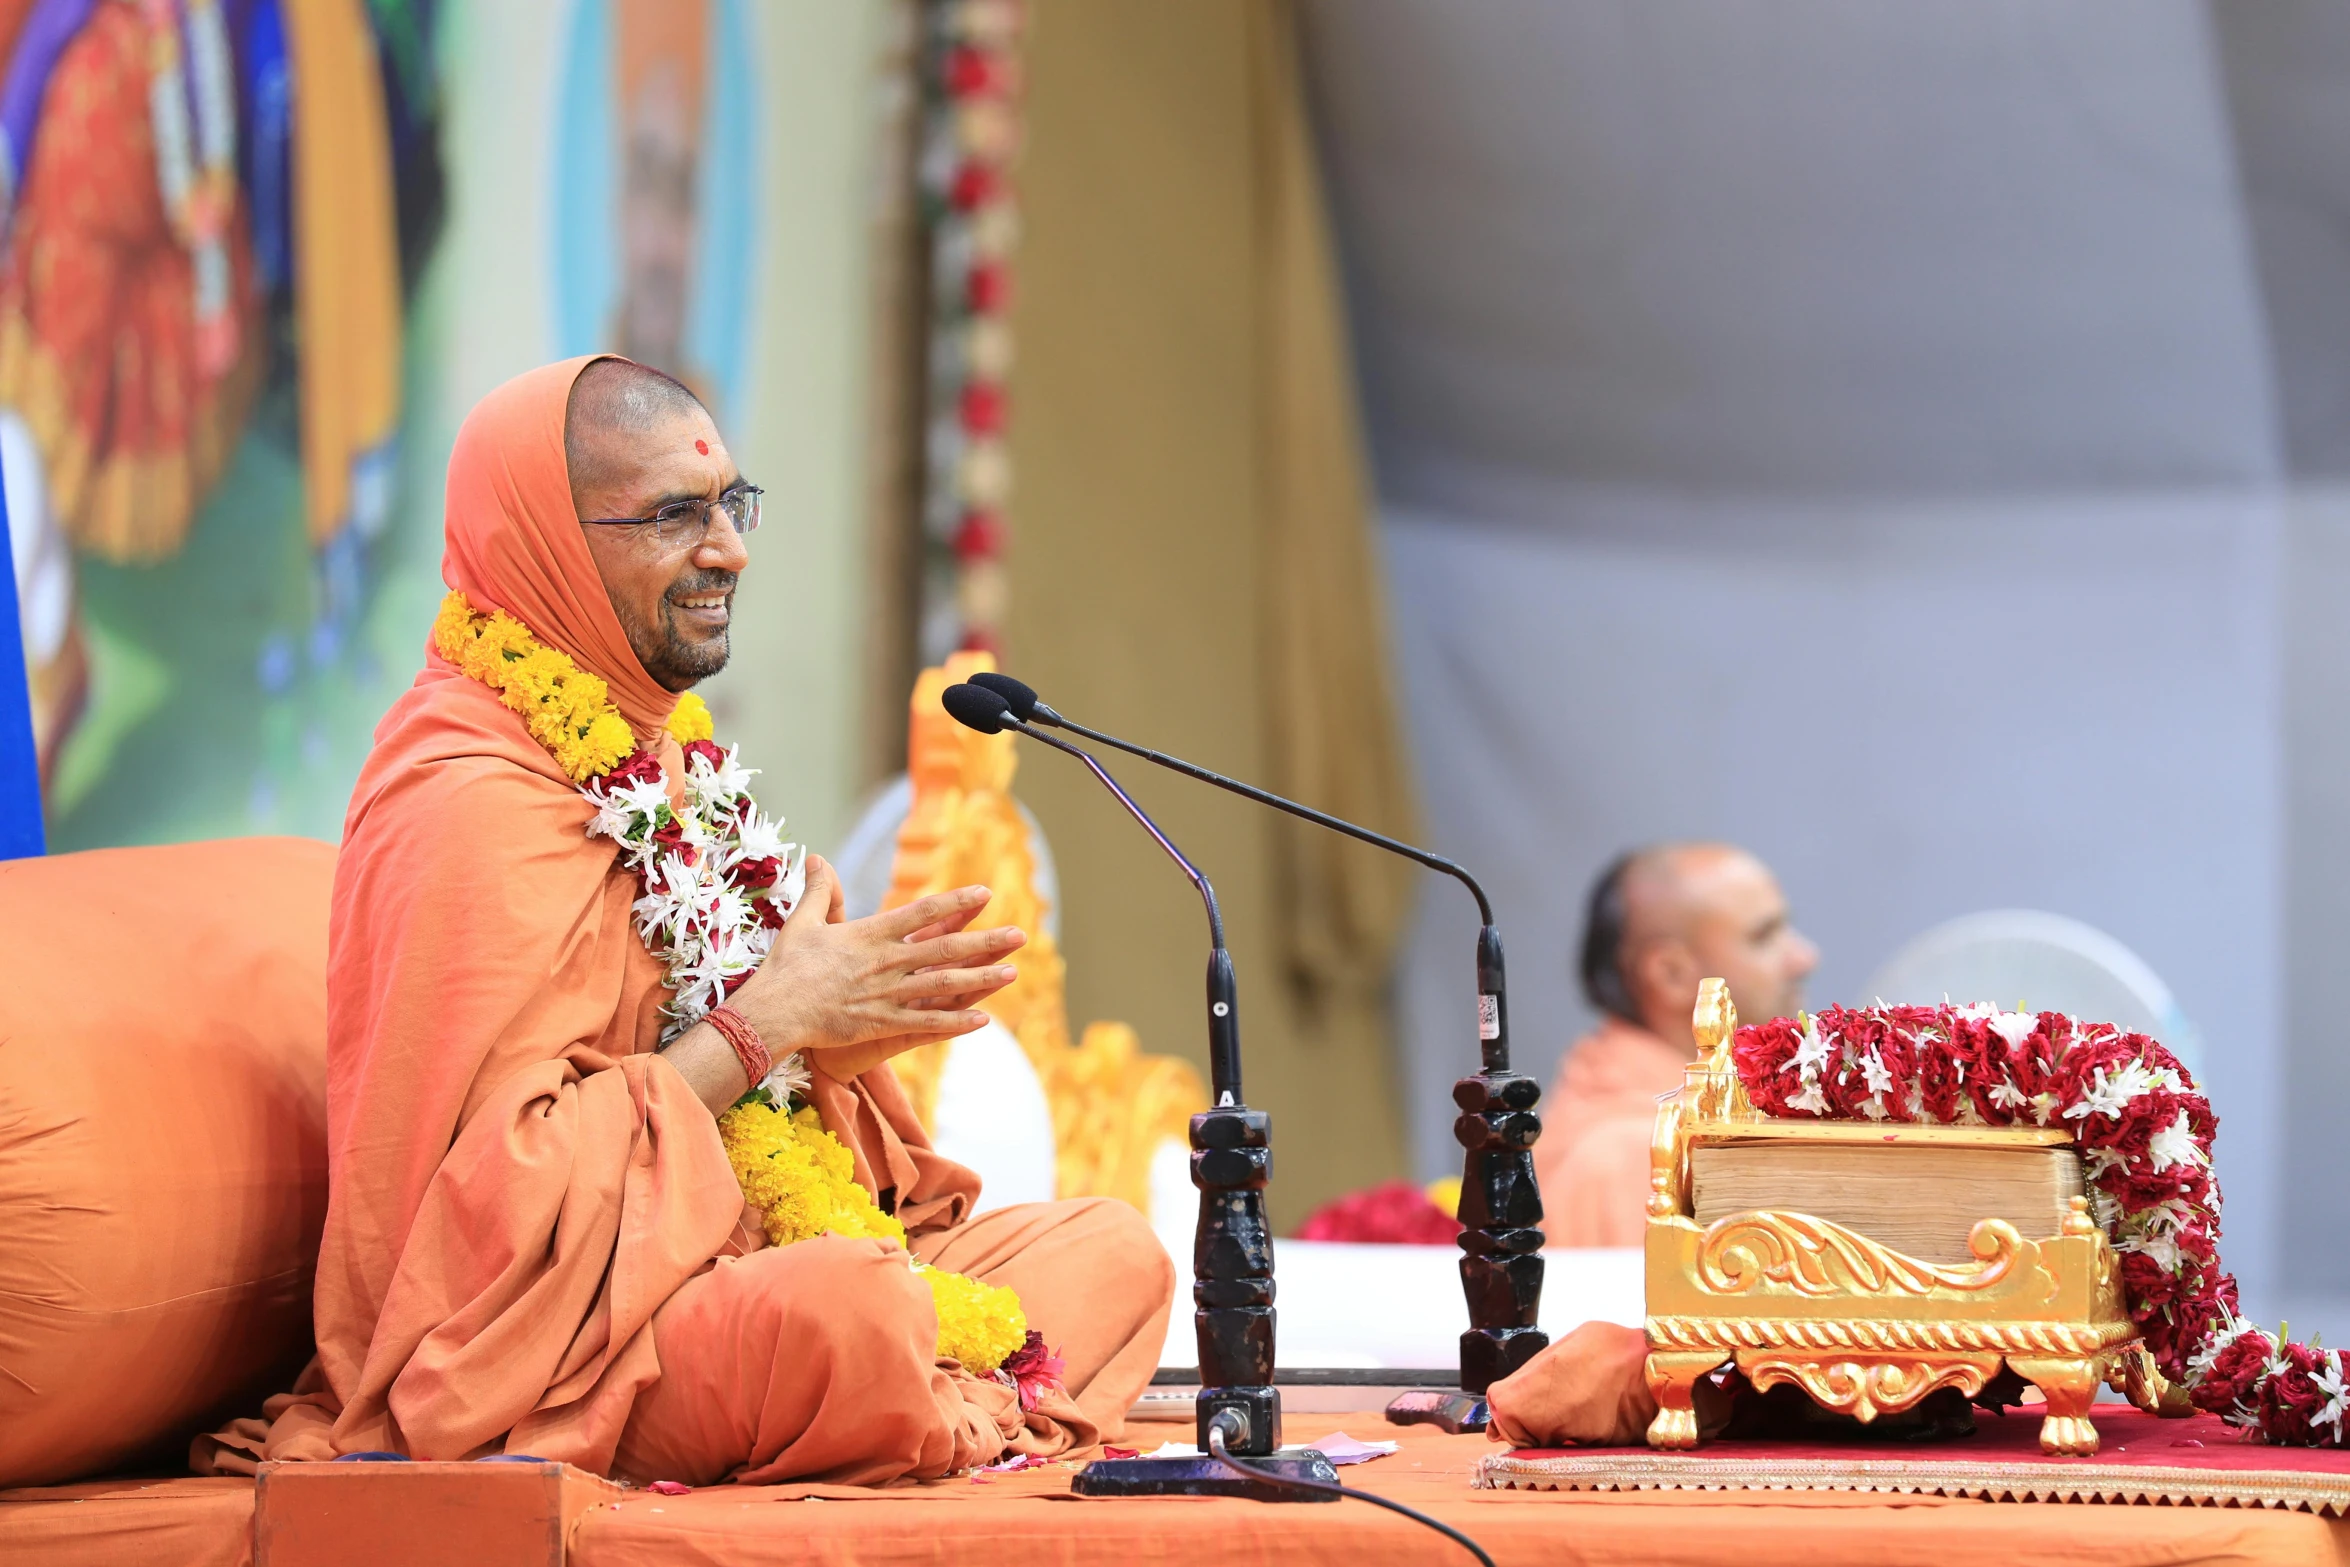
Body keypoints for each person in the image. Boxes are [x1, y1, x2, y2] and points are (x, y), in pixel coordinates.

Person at [197, 357, 1173, 1486]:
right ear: (547, 542)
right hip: (567, 1347)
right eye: (674, 515)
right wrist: (766, 1023)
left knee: (1111, 1252)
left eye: (730, 504)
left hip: (741, 1260)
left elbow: (763, 1116)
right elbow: (483, 1220)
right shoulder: (465, 800)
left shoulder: (665, 761)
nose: (729, 549)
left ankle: (914, 1400)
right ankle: (920, 1398)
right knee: (852, 1316)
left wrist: (835, 1042)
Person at [1535, 843, 1818, 1247]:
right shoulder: (1639, 1153)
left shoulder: (1677, 1126)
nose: (1805, 958)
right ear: (1671, 974)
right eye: (1763, 936)